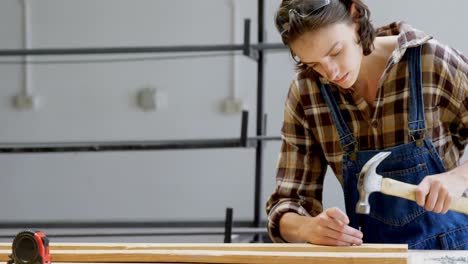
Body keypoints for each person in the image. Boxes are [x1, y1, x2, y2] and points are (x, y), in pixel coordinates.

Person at [266, 0, 468, 250]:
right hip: (371, 255)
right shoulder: (306, 93)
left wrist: (459, 178)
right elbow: (286, 204)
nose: (330, 73)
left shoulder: (432, 62)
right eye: (313, 64)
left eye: (335, 52)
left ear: (355, 17)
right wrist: (308, 228)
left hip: (451, 253)